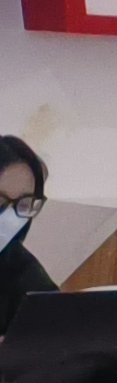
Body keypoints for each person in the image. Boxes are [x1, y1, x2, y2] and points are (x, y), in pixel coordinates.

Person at [0, 137, 56, 323]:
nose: (10, 216)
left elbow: (56, 321)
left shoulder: (17, 264)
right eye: (0, 200)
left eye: (24, 204)